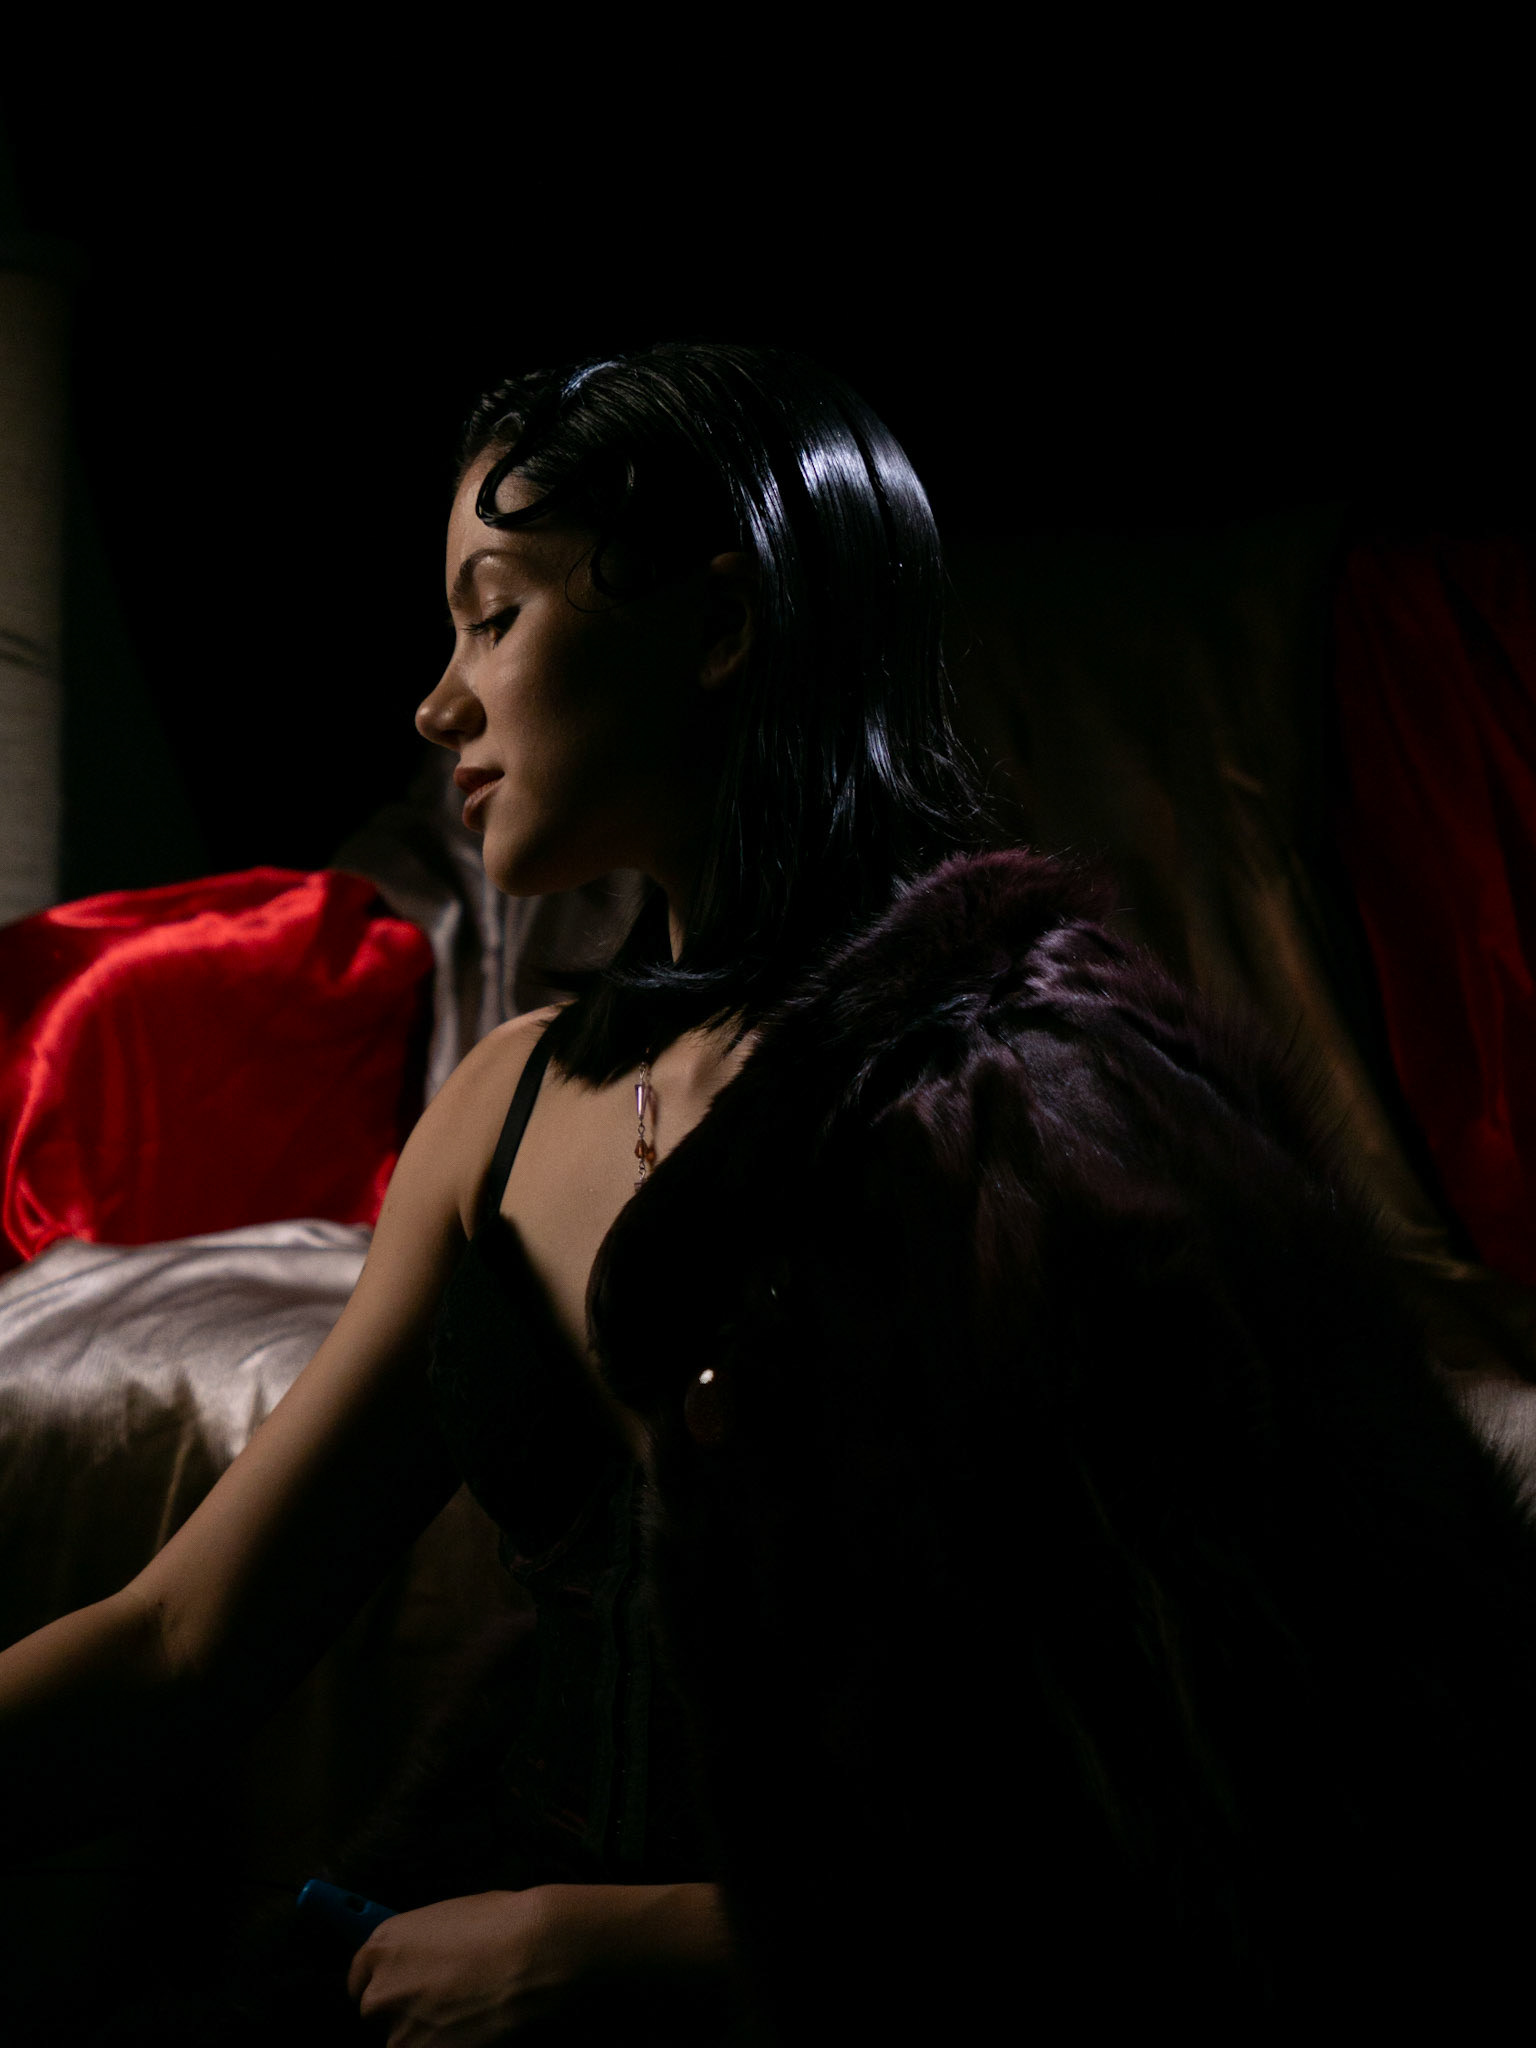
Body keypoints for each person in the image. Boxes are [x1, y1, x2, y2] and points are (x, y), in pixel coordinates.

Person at [0, 342, 991, 2043]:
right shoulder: (507, 1109)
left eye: (492, 614)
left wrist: (622, 1949)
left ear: (720, 622)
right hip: (472, 1943)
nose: (436, 705)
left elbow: (1138, 1838)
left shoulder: (1004, 1115)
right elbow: (180, 1643)